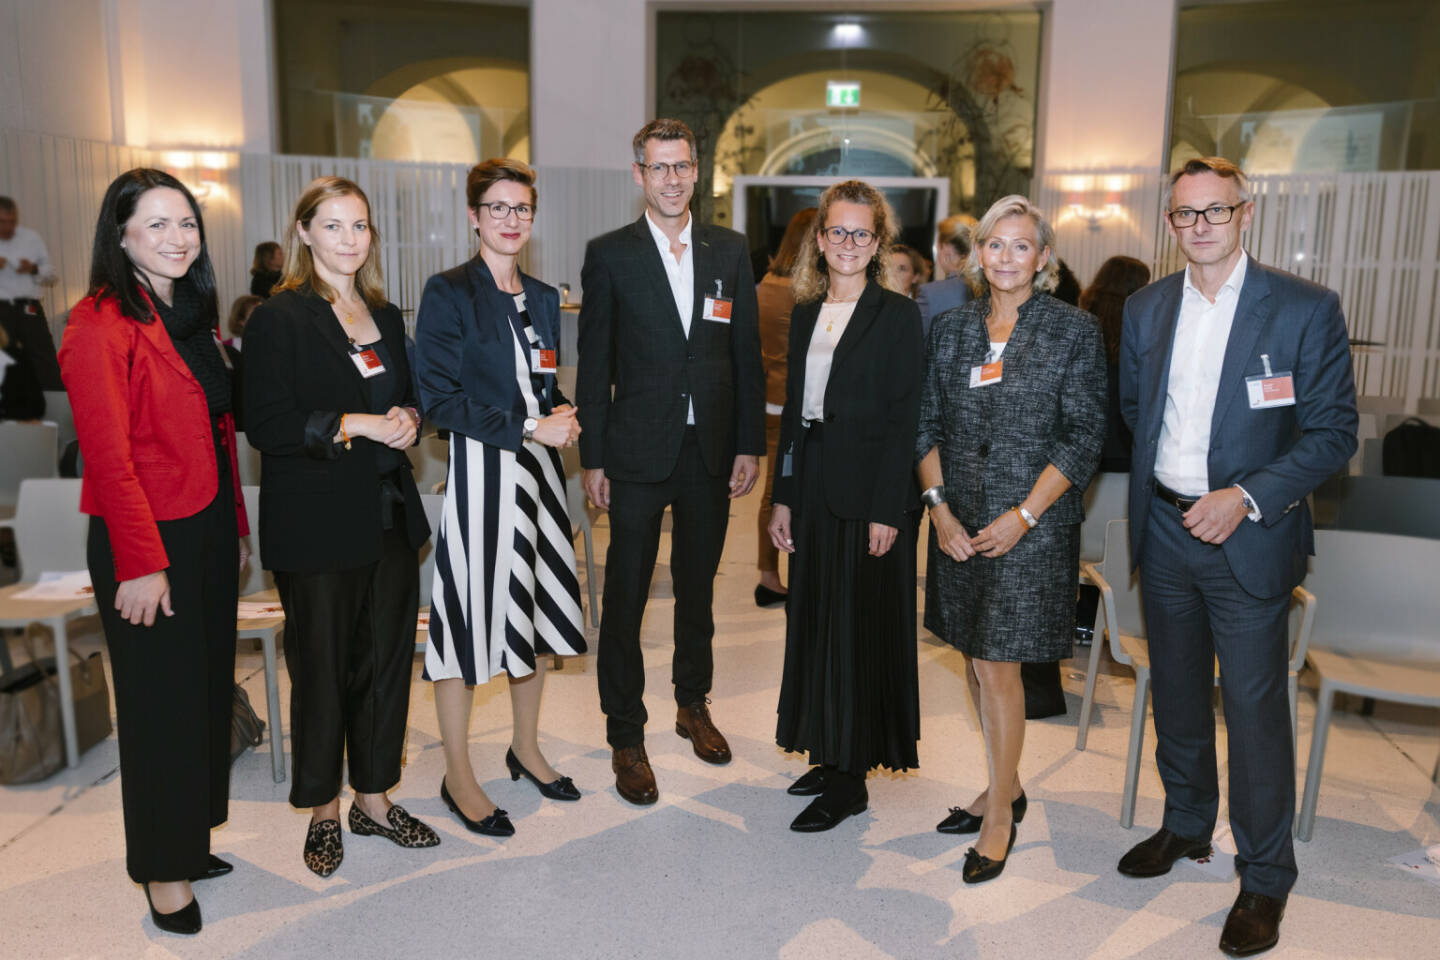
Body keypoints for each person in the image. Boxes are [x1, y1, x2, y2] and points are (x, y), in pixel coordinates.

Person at [1116, 157, 1357, 957]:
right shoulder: (1148, 308)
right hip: (1163, 528)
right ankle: (1186, 825)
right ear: (1171, 221)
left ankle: (1264, 877)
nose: (1200, 227)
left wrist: (1245, 496)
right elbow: (1135, 410)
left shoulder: (1302, 308)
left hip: (1249, 537)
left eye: (1215, 212)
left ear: (1245, 214)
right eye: (1184, 215)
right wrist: (1175, 493)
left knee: (1254, 714)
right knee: (1177, 695)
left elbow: (1332, 433)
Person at [59, 168, 248, 935]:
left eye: (187, 225)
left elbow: (216, 432)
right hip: (145, 537)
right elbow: (107, 455)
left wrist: (233, 529)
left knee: (203, 692)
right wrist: (141, 561)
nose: (177, 239)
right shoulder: (97, 323)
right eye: (157, 225)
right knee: (158, 707)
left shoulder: (190, 311)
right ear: (121, 234)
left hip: (201, 525)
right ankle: (163, 870)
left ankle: (191, 839)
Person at [244, 176, 438, 877]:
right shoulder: (280, 317)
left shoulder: (384, 316)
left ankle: (375, 799)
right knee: (323, 668)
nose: (349, 239)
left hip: (386, 514)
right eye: (333, 226)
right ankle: (324, 809)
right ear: (304, 233)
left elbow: (410, 397)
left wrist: (412, 419)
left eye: (359, 226)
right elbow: (264, 423)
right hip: (317, 521)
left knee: (386, 666)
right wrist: (353, 424)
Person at [915, 194, 1106, 884]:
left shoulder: (1072, 332)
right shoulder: (951, 329)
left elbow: (1085, 435)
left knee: (998, 664)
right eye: (994, 244)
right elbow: (923, 422)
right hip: (959, 525)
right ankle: (1007, 783)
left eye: (1020, 246)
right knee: (972, 654)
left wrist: (1023, 515)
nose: (1005, 257)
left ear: (1044, 259)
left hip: (1031, 529)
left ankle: (999, 813)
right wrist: (938, 510)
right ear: (977, 254)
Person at [575, 117, 765, 805]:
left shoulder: (731, 250)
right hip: (633, 453)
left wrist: (750, 442)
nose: (673, 179)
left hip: (709, 450)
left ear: (697, 170)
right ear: (639, 175)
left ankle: (692, 704)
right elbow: (593, 365)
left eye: (683, 166)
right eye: (659, 168)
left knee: (697, 588)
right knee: (624, 598)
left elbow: (743, 353)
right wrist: (592, 454)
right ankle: (626, 734)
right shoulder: (611, 254)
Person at [414, 158, 587, 837]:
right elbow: (438, 401)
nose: (511, 220)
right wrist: (529, 426)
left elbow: (540, 387)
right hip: (482, 479)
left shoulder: (544, 297)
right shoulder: (448, 291)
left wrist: (564, 412)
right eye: (498, 208)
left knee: (537, 619)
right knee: (464, 625)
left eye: (522, 209)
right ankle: (458, 772)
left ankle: (526, 746)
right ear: (473, 216)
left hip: (540, 478)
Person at [768, 180, 923, 832]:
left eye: (862, 233)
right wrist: (782, 497)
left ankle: (852, 776)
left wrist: (890, 508)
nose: (849, 243)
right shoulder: (806, 313)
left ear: (879, 241)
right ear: (820, 239)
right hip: (815, 490)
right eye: (838, 231)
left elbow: (903, 420)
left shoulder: (898, 315)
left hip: (870, 497)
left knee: (857, 633)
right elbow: (799, 423)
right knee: (816, 623)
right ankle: (827, 750)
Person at [754, 206, 816, 609]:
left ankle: (770, 574)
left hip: (769, 399)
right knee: (782, 492)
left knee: (776, 491)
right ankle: (770, 577)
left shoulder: (765, 284)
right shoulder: (800, 292)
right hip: (791, 404)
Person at [0, 196, 63, 398]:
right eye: (2, 222)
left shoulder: (31, 238)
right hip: (1, 309)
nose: (8, 226)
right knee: (4, 361)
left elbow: (51, 275)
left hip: (29, 306)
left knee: (44, 360)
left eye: (12, 221)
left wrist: (33, 268)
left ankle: (56, 412)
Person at [915, 214, 974, 340]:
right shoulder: (991, 288)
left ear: (946, 248)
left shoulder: (930, 294)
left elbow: (914, 344)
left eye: (938, 245)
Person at [223, 294, 261, 431]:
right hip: (238, 422)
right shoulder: (226, 349)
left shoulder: (276, 347)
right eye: (256, 314)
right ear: (240, 320)